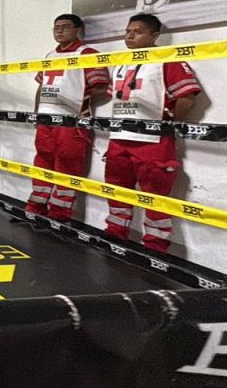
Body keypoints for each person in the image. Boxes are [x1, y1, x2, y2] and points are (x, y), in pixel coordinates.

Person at [104, 14, 203, 253]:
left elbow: (187, 98)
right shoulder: (121, 62)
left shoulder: (167, 59)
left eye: (137, 31)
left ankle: (155, 248)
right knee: (116, 192)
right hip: (119, 138)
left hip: (152, 141)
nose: (130, 35)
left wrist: (170, 126)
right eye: (128, 31)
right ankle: (115, 235)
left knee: (156, 198)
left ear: (155, 35)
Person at [27, 14, 110, 220]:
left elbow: (102, 88)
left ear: (78, 30)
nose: (59, 30)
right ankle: (36, 208)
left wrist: (80, 101)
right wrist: (37, 114)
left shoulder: (88, 54)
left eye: (65, 26)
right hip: (46, 120)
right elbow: (42, 86)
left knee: (67, 165)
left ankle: (59, 214)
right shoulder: (50, 55)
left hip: (71, 122)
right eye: (56, 27)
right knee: (42, 162)